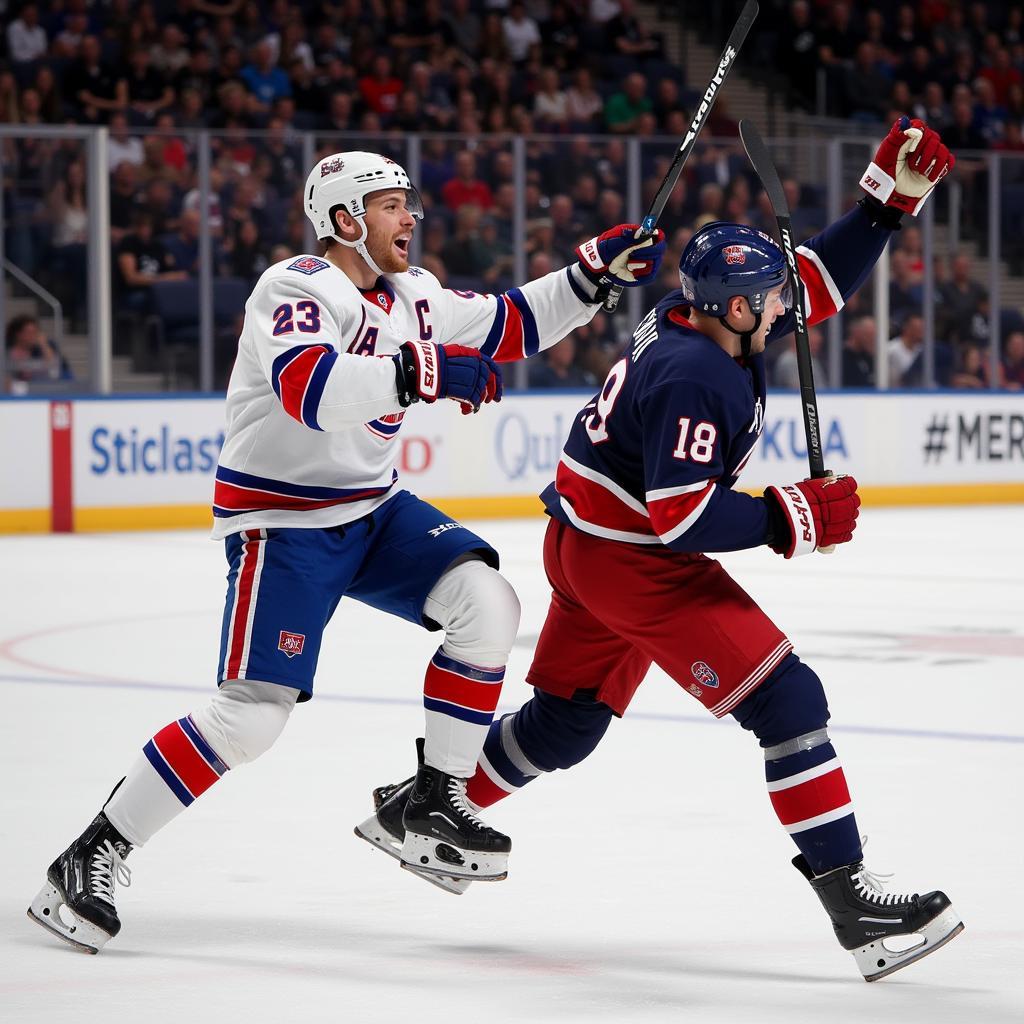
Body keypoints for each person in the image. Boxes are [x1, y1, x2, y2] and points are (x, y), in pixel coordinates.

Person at [360, 119, 965, 982]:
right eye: (770, 297)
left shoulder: (706, 322)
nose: (789, 307)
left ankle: (424, 808)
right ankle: (855, 906)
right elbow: (682, 520)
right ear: (735, 307)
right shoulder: (698, 374)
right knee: (789, 703)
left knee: (567, 722)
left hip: (582, 542)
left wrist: (885, 204)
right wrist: (790, 516)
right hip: (631, 560)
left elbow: (816, 284)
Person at [27, 150, 666, 952]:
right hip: (283, 521)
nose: (411, 218)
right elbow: (310, 389)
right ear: (344, 220)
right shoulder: (295, 287)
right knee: (252, 718)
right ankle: (93, 853)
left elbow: (510, 324)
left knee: (486, 603)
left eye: (409, 204)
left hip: (372, 509)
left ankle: (432, 799)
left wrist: (587, 276)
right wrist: (418, 370)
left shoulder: (413, 294)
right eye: (392, 205)